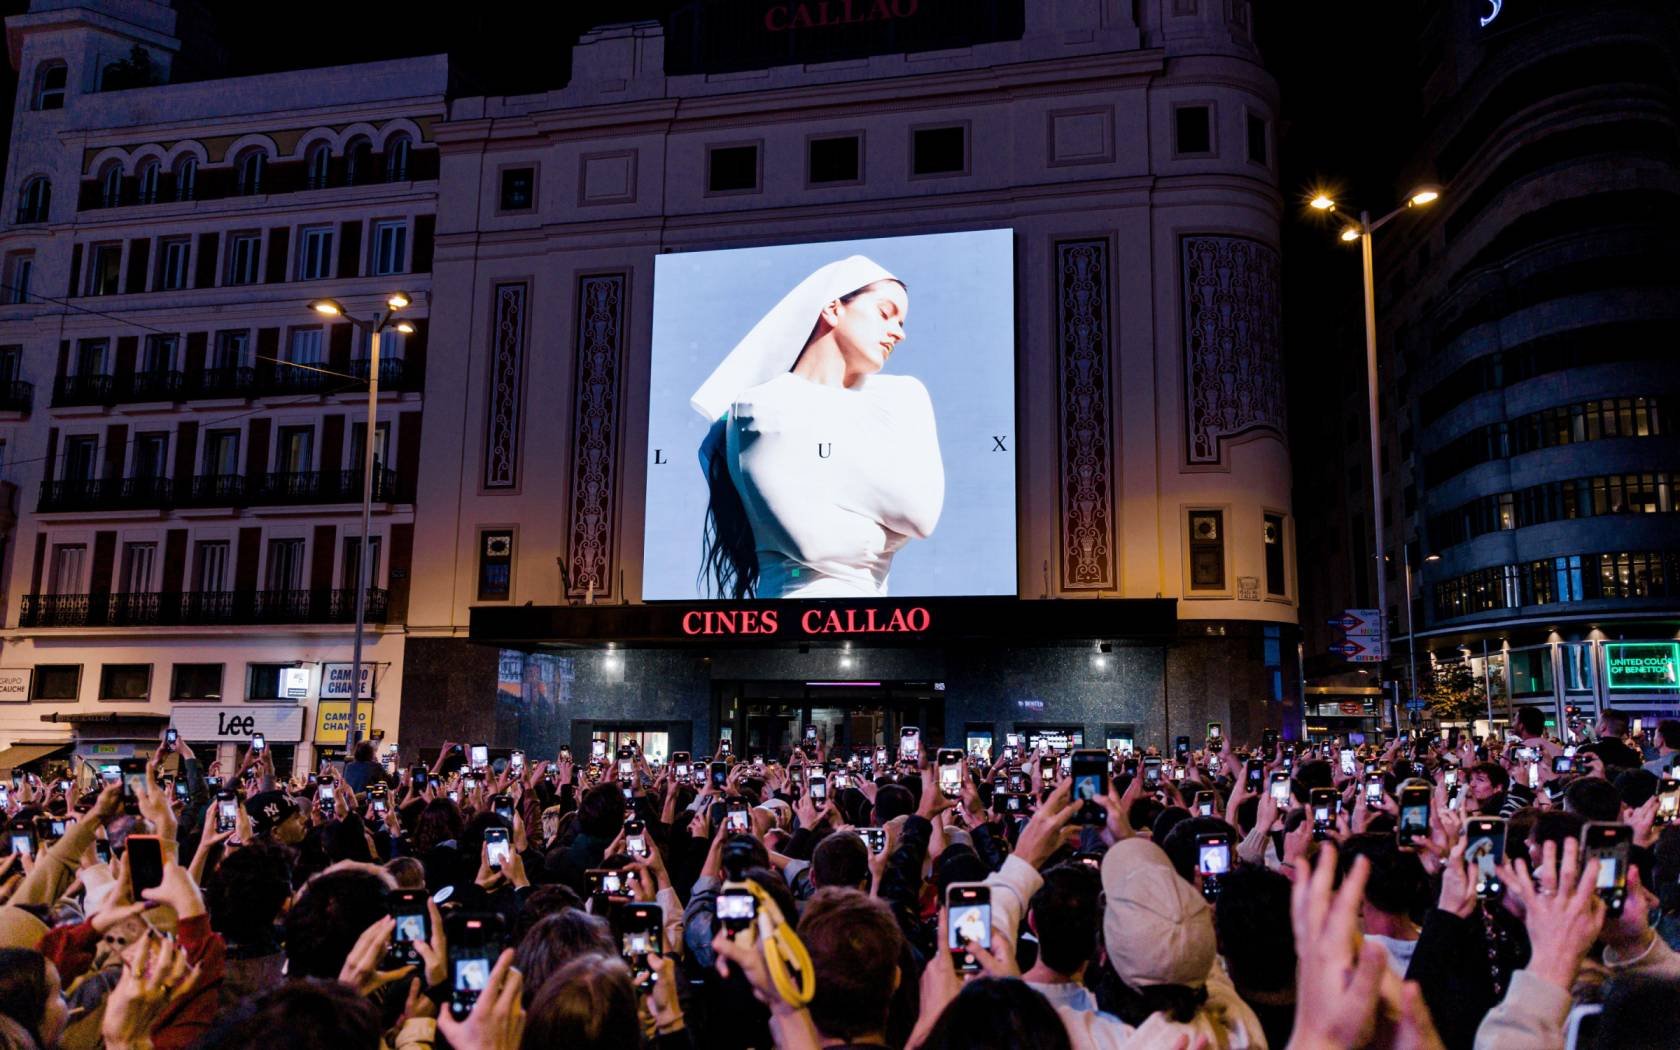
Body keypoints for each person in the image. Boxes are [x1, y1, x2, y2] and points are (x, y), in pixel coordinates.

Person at [691, 256, 943, 598]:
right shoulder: (760, 406)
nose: (899, 332)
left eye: (901, 321)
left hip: (880, 625)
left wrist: (819, 475)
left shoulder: (900, 396)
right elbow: (814, 545)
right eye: (886, 313)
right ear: (833, 309)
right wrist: (889, 531)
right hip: (785, 624)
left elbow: (920, 515)